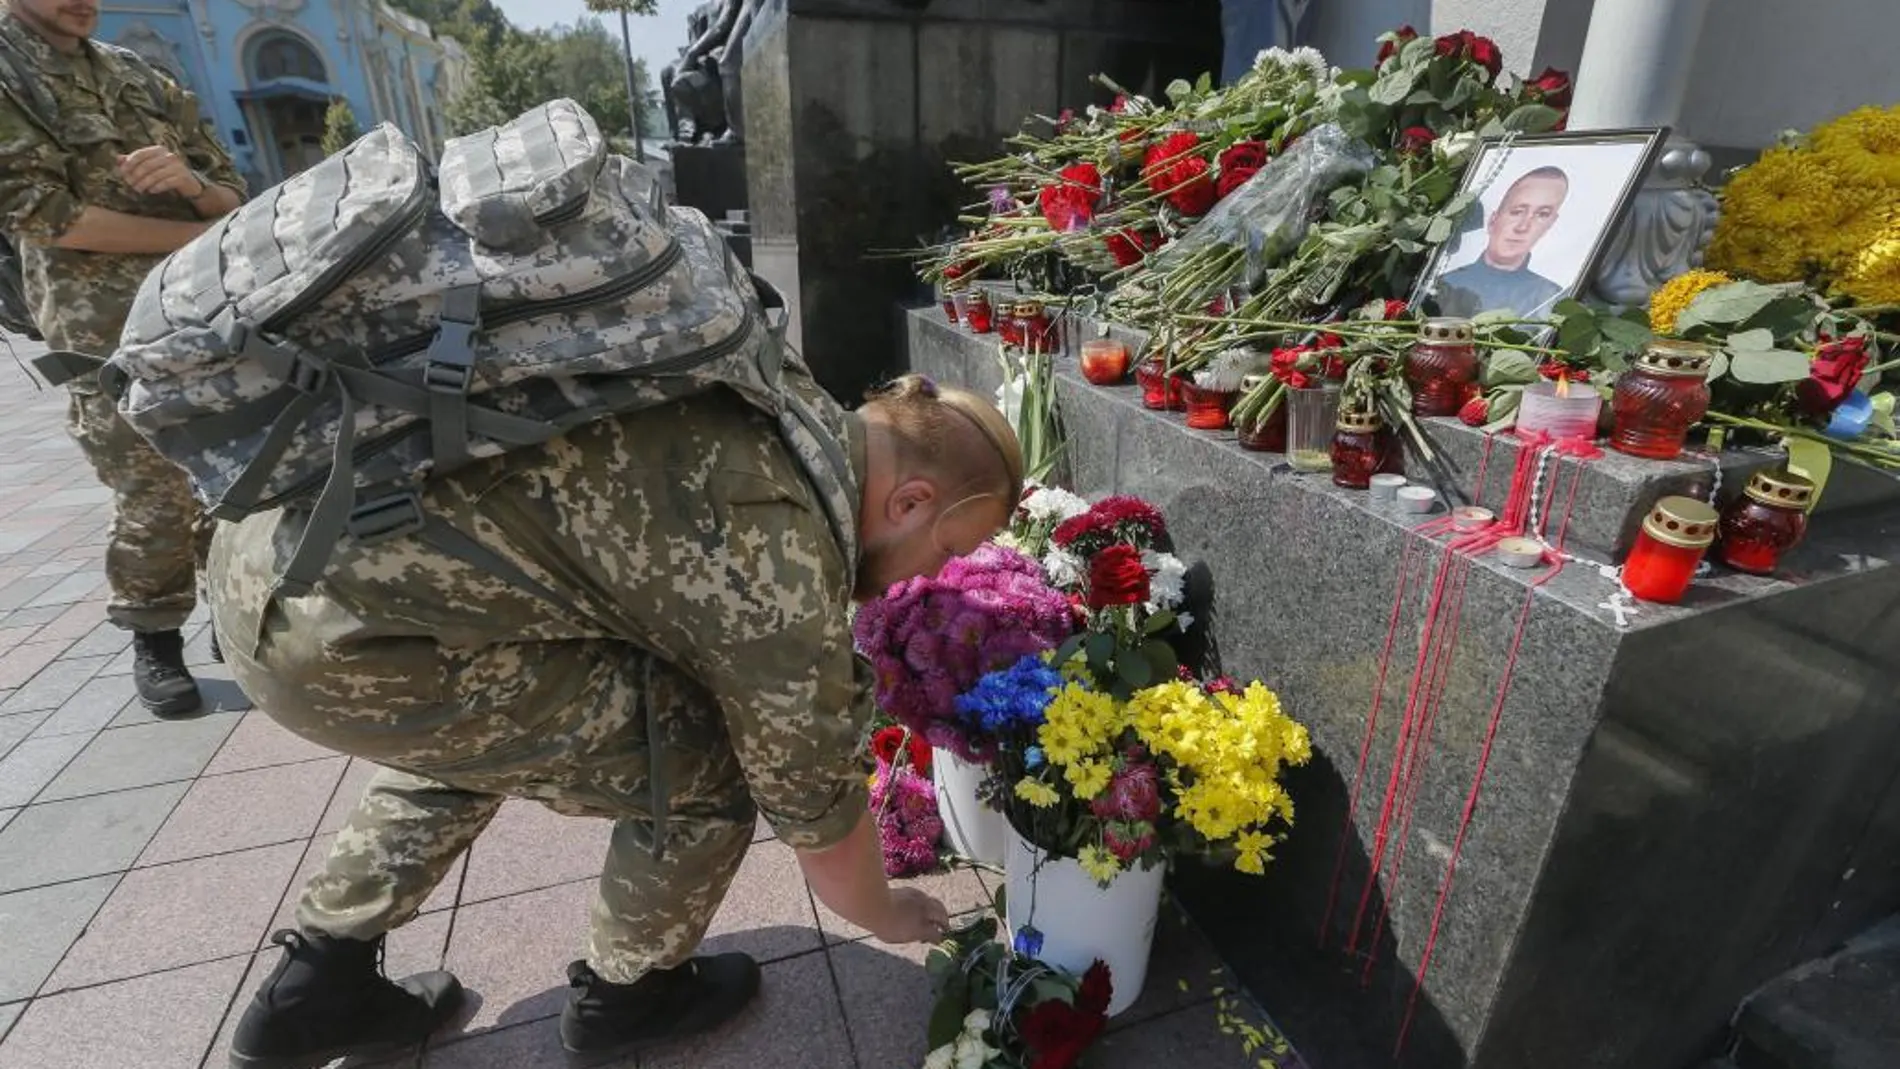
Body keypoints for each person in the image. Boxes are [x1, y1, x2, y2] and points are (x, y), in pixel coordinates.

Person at [213, 370, 1024, 1067]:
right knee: (709, 762)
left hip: (278, 553)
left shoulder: (787, 402)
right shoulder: (781, 541)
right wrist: (883, 910)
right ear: (912, 499)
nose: (933, 575)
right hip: (345, 639)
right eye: (948, 551)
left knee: (479, 727)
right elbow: (806, 788)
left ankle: (319, 981)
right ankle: (628, 995)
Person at [0, 0, 245, 715]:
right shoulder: (11, 73)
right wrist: (185, 238)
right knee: (153, 492)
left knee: (230, 477)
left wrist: (192, 186)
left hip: (198, 316)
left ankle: (235, 616)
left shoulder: (136, 72)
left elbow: (231, 193)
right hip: (101, 337)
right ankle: (155, 634)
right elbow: (43, 217)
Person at [1432, 165, 1569, 320]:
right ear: (1493, 220)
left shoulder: (1551, 298)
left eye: (1542, 215)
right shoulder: (1444, 283)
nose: (1523, 227)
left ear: (1550, 224)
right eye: (1517, 212)